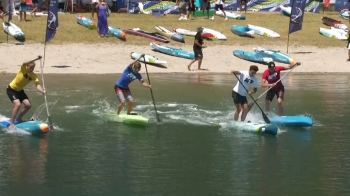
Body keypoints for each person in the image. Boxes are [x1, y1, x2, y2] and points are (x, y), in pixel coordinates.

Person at [6, 56, 46, 127]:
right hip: (11, 89)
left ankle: (18, 119)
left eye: (33, 68)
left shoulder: (34, 75)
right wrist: (36, 59)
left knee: (28, 105)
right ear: (27, 66)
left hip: (20, 91)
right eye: (30, 68)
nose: (31, 69)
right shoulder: (23, 69)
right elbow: (25, 62)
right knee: (18, 104)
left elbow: (37, 85)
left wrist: (42, 91)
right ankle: (12, 123)